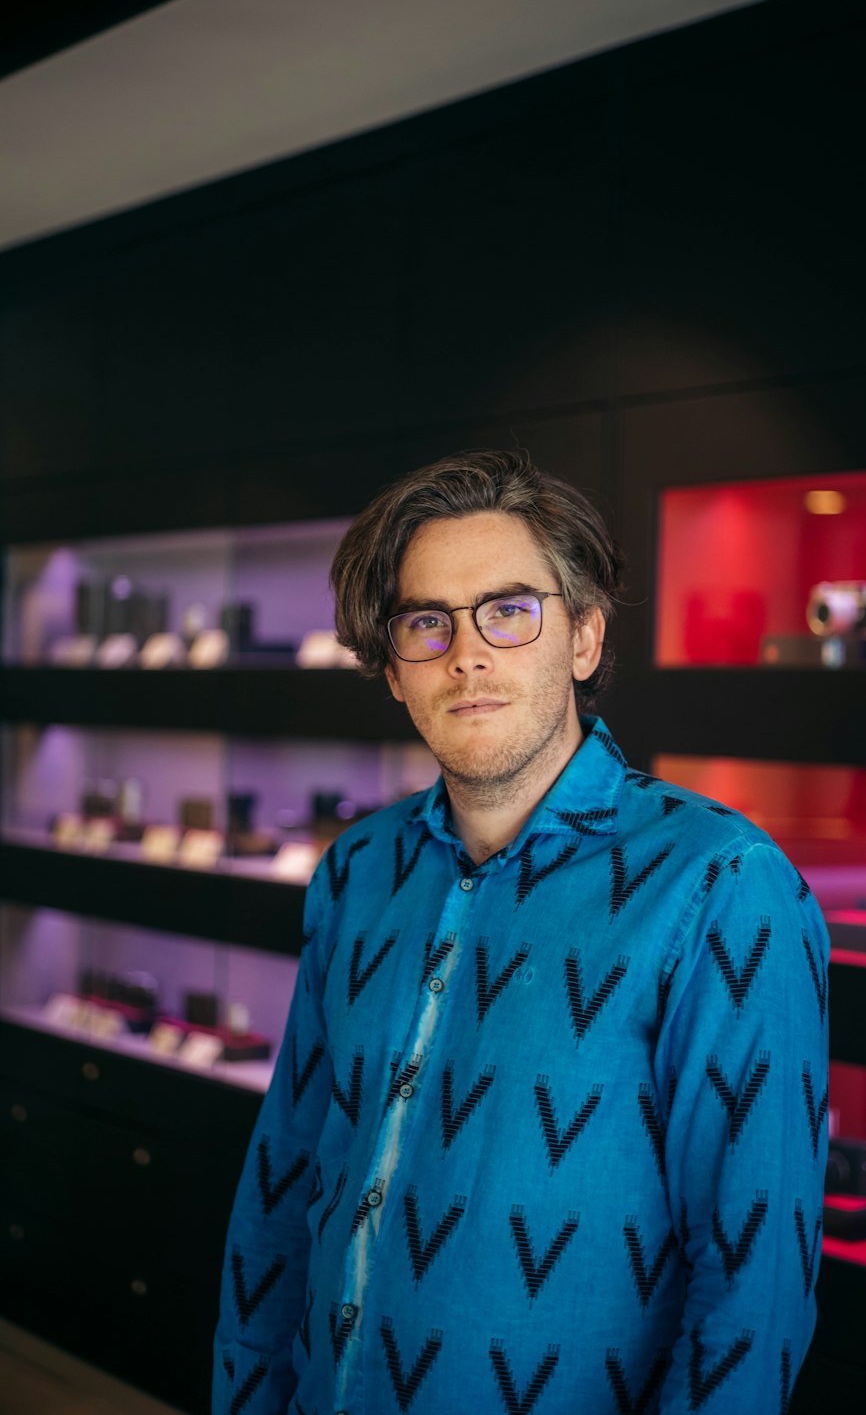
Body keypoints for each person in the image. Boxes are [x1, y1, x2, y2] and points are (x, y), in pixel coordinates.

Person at [213, 449, 829, 1415]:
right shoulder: (358, 869)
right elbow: (285, 1181)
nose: (468, 654)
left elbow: (753, 1290)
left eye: (510, 609)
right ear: (392, 671)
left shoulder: (722, 885)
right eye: (427, 623)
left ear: (582, 637)